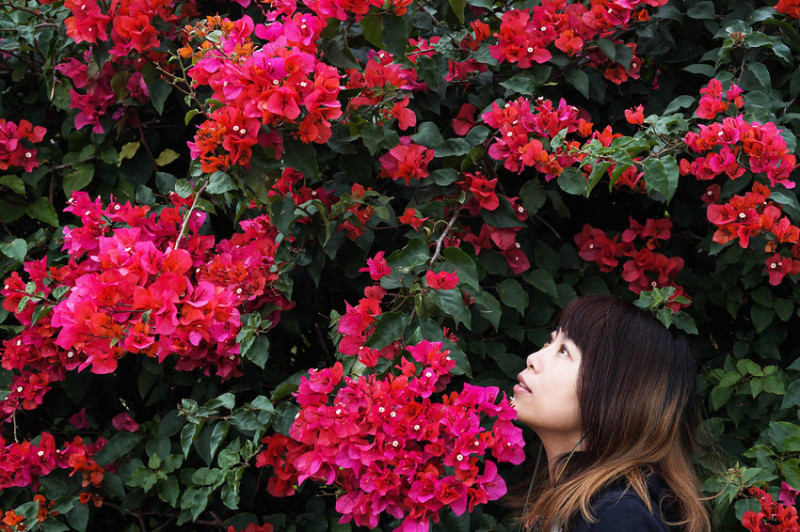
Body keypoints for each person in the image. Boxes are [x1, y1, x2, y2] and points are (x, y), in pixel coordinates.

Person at [512, 294, 710, 531]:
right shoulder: (573, 504)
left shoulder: (619, 517)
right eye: (549, 343)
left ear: (615, 394)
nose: (532, 358)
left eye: (564, 350)